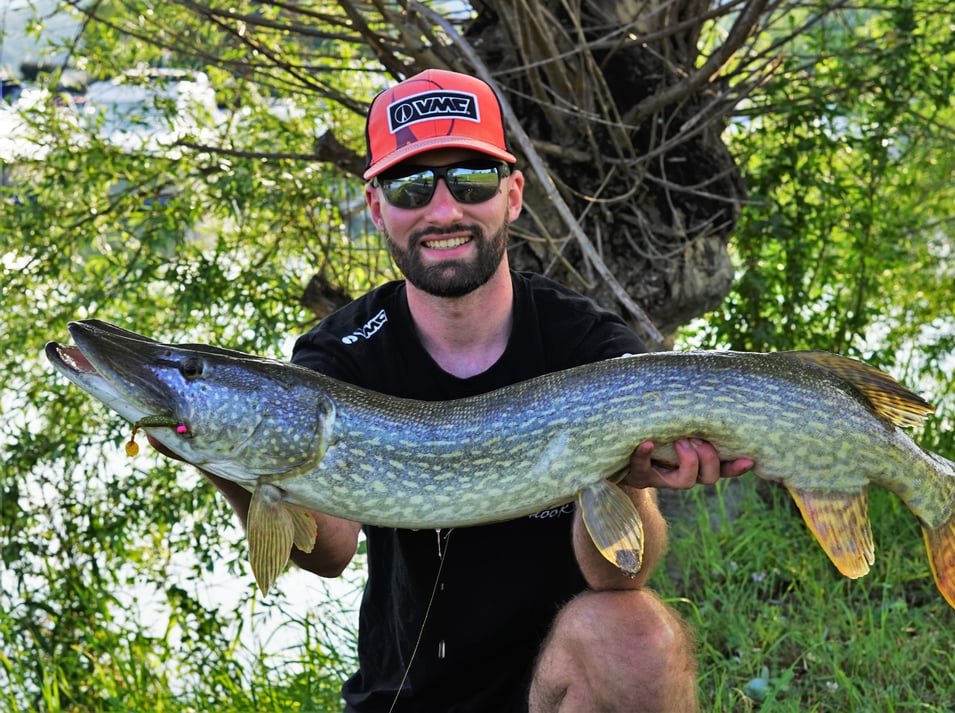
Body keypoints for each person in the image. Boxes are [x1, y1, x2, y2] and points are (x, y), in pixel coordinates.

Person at [200, 69, 753, 712]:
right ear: (377, 207)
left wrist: (629, 479)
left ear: (512, 194)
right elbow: (328, 553)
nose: (443, 211)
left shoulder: (588, 346)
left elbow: (619, 573)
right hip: (405, 697)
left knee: (635, 633)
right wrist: (226, 458)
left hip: (557, 685)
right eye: (412, 186)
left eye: (471, 179)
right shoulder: (341, 355)